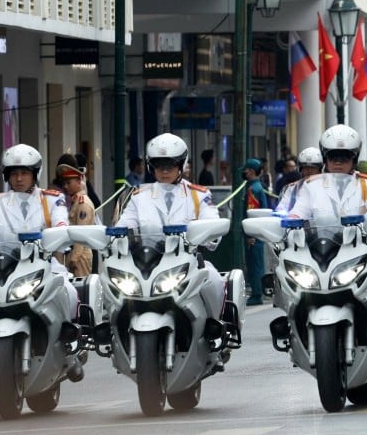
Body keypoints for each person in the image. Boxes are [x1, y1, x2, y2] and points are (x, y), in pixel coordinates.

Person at [0, 144, 81, 355]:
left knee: (69, 291)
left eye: (24, 173)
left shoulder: (51, 199)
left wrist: (59, 232)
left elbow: (60, 224)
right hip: (5, 268)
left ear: (34, 174)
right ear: (7, 177)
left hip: (44, 265)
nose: (19, 179)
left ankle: (70, 344)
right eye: (14, 174)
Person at [288, 125, 367, 316]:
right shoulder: (311, 186)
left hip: (365, 250)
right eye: (333, 156)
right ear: (325, 157)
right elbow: (297, 212)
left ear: (355, 158)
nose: (338, 162)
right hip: (322, 253)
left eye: (345, 156)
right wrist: (288, 223)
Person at [113, 134, 231, 326]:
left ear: (181, 165)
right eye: (159, 165)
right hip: (147, 264)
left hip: (189, 261)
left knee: (214, 281)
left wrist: (209, 232)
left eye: (171, 165)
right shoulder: (138, 196)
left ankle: (215, 329)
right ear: (152, 167)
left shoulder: (199, 194)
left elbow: (211, 224)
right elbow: (124, 225)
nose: (165, 171)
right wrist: (113, 238)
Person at [57, 161, 97, 277]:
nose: (65, 186)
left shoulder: (82, 203)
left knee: (81, 289)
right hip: (76, 253)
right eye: (64, 183)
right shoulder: (76, 202)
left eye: (69, 183)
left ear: (79, 182)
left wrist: (74, 258)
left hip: (80, 255)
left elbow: (81, 233)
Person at [242, 158, 271, 305]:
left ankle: (257, 294)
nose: (244, 172)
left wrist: (249, 234)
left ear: (251, 171)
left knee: (255, 264)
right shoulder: (257, 187)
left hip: (254, 234)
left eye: (246, 169)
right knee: (256, 263)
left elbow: (251, 213)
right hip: (259, 232)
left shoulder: (253, 189)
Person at [277, 147, 322, 212]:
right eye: (306, 168)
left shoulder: (328, 188)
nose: (309, 171)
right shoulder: (292, 189)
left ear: (320, 169)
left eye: (313, 168)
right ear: (300, 169)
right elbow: (281, 209)